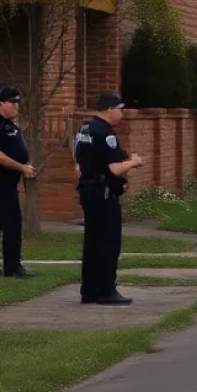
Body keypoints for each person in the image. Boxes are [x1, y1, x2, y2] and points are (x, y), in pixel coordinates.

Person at [74, 93, 144, 306]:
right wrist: (134, 163)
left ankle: (89, 290)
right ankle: (106, 289)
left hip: (88, 189)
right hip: (103, 192)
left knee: (92, 242)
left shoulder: (84, 130)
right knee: (108, 242)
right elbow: (114, 168)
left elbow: (78, 164)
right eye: (120, 109)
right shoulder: (105, 133)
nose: (121, 114)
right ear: (110, 109)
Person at [0, 85, 37, 278]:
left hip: (7, 179)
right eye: (12, 102)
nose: (16, 106)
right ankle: (13, 267)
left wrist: (25, 164)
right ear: (1, 103)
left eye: (18, 103)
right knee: (12, 220)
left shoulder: (10, 125)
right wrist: (21, 167)